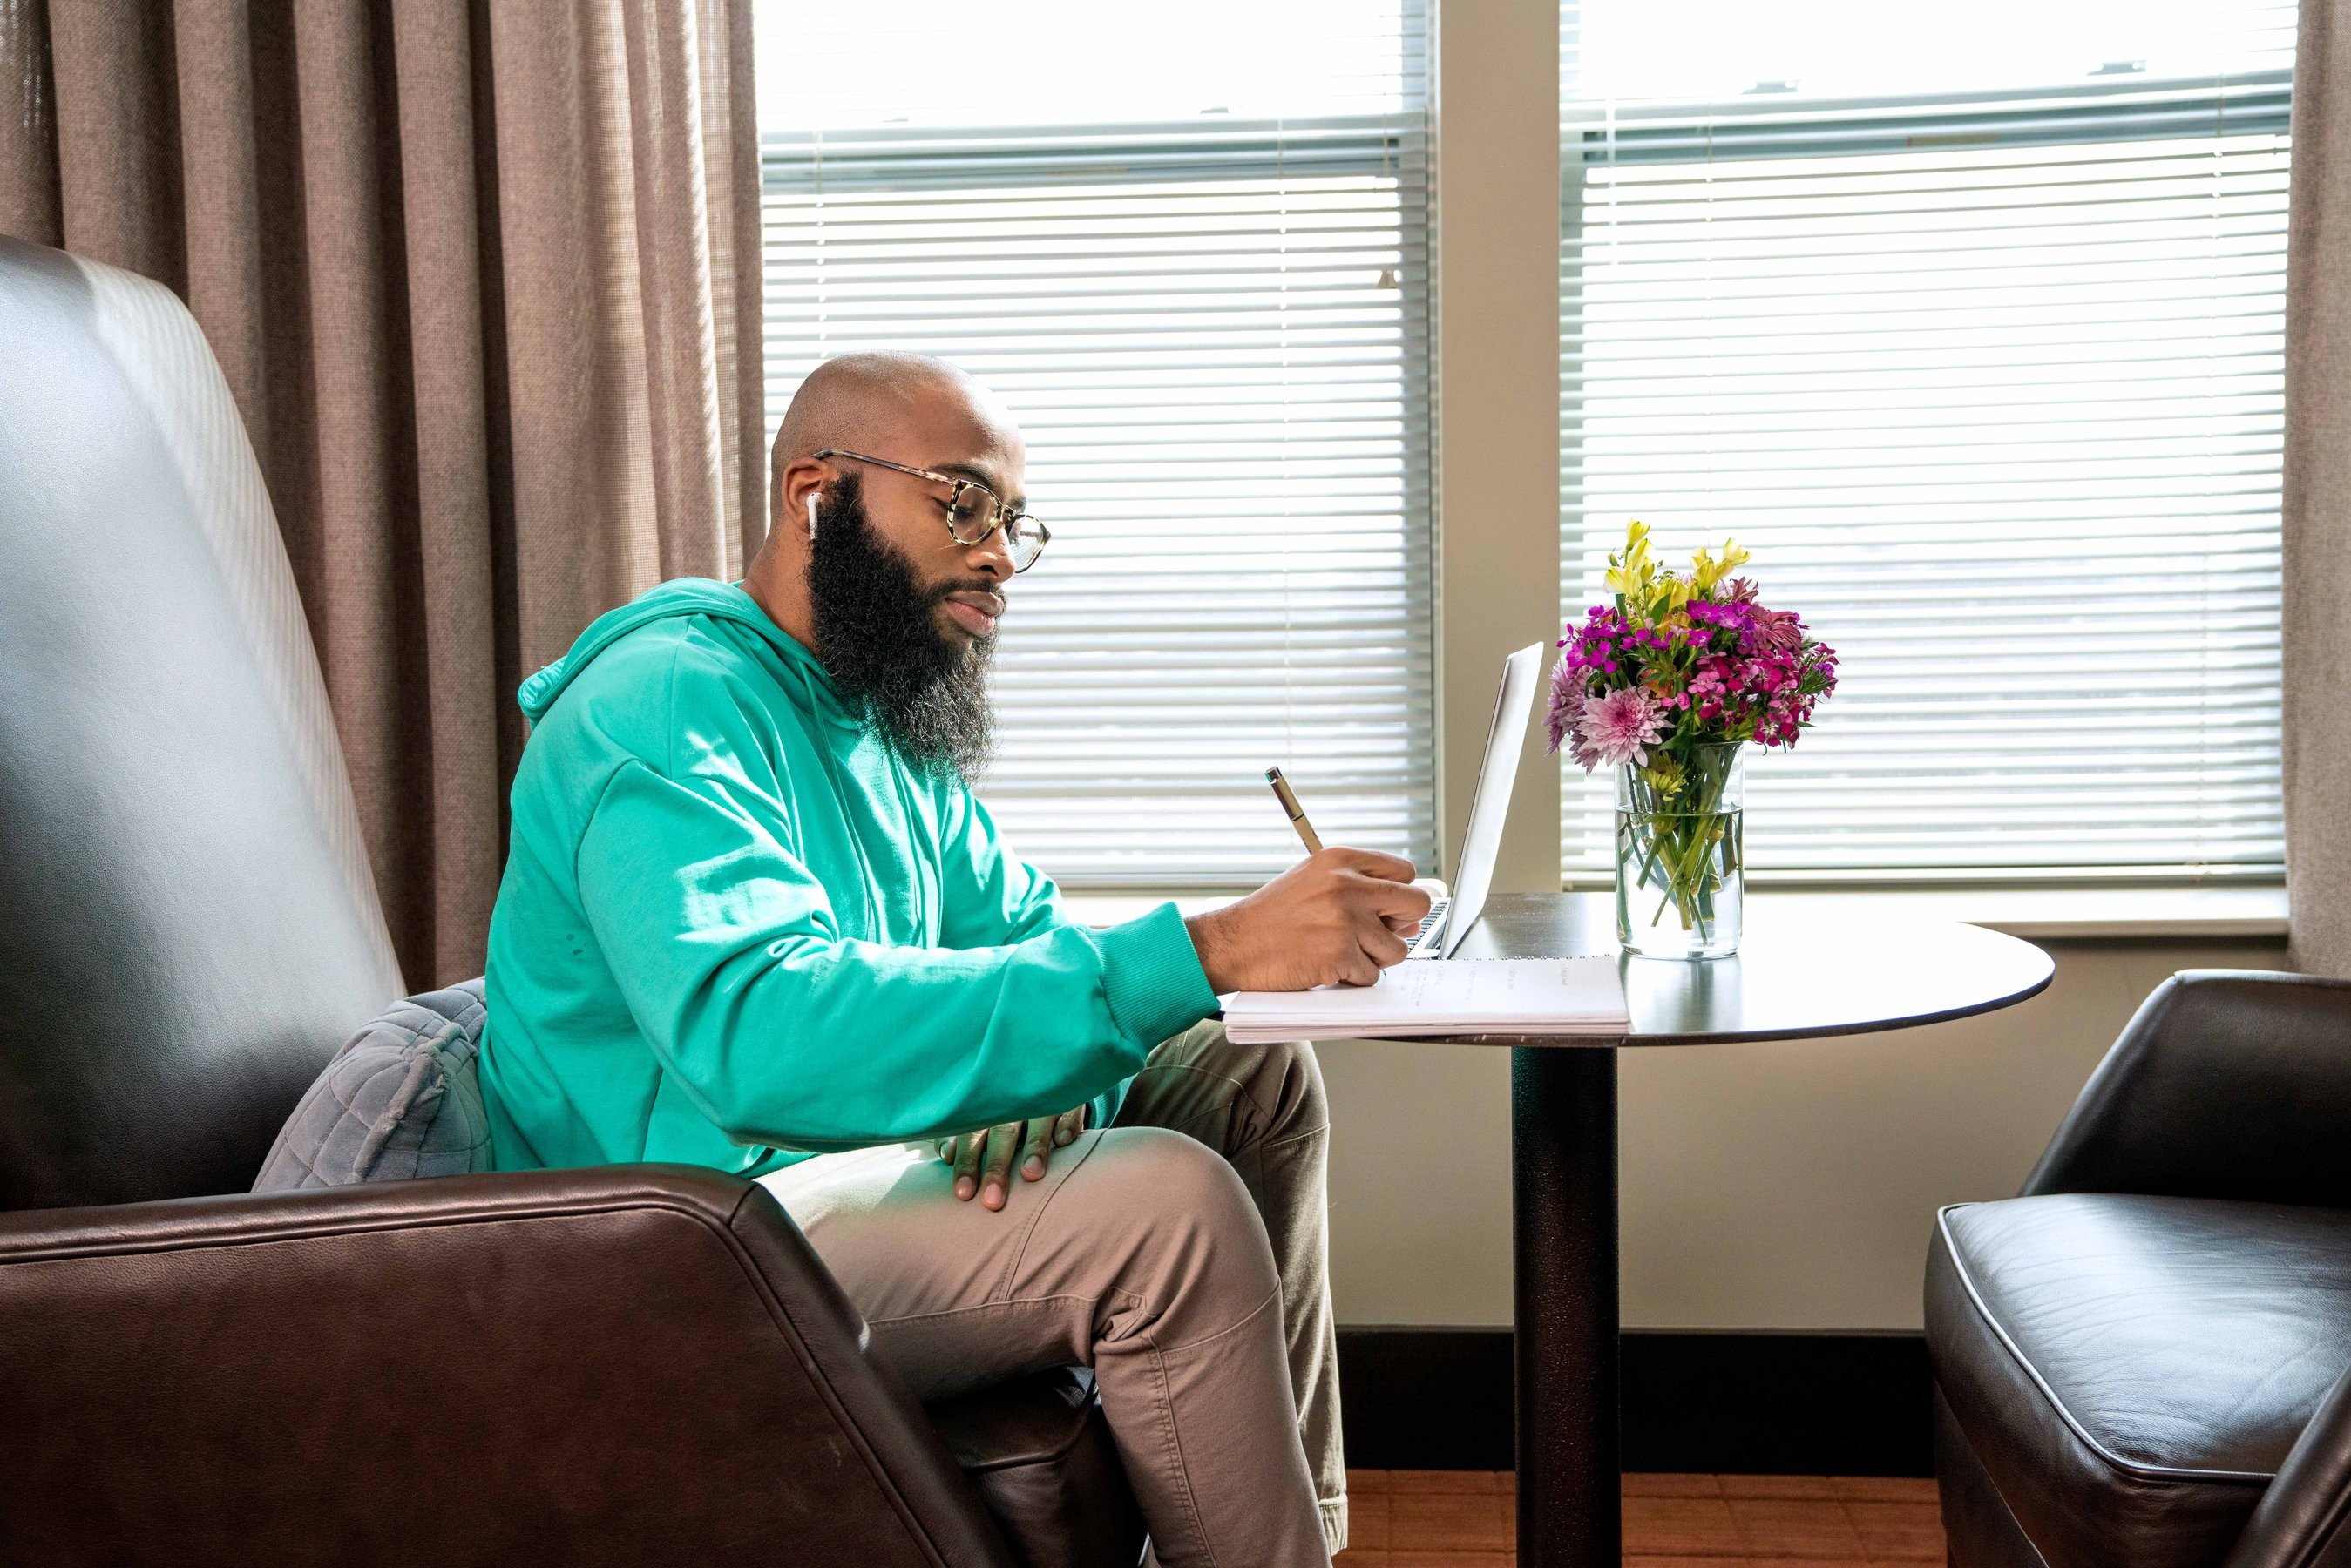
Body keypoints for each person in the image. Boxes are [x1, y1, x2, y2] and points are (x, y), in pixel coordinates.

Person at [481, 351, 1431, 1566]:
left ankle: (1298, 1542)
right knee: (1167, 1206)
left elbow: (1027, 944)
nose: (995, 555)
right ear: (817, 494)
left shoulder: (881, 724)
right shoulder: (666, 705)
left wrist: (1038, 1080)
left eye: (1012, 523)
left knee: (1242, 1072)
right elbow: (758, 1035)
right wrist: (1216, 945)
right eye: (961, 502)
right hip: (686, 1229)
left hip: (850, 1164)